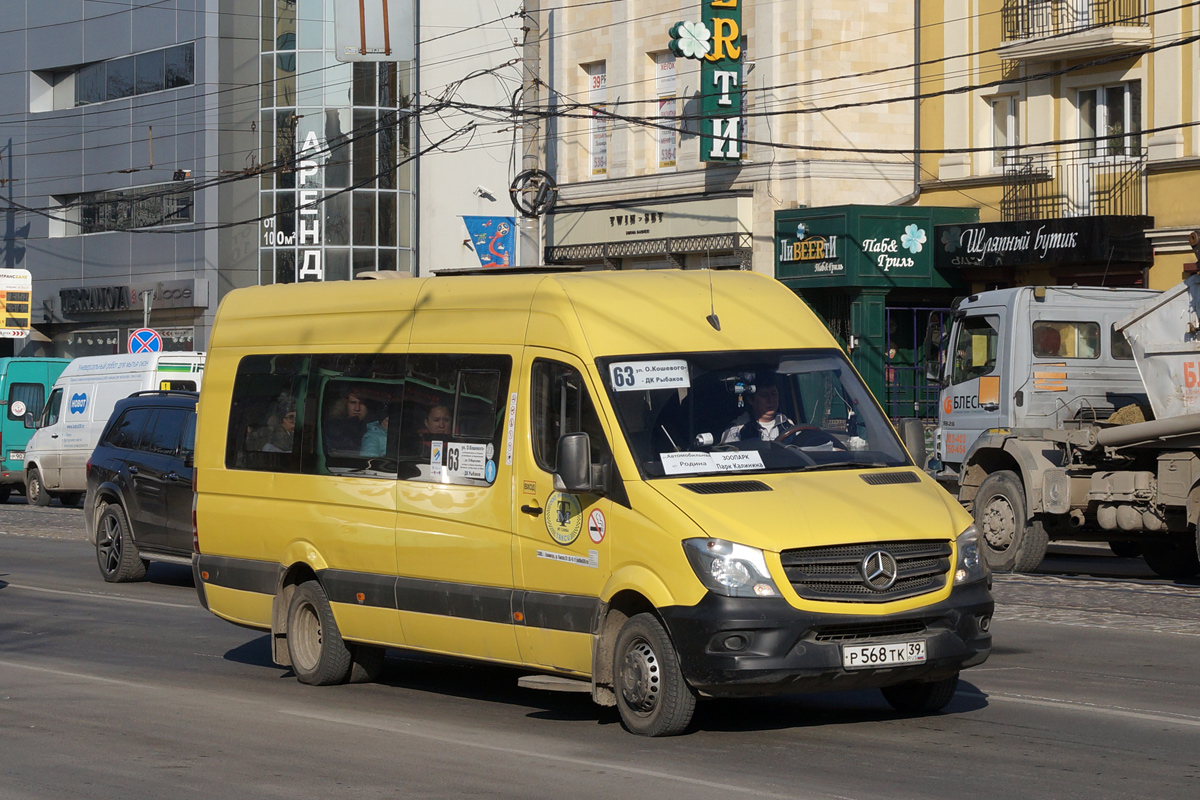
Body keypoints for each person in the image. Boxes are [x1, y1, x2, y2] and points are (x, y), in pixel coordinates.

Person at [720, 377, 795, 443]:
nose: (770, 400)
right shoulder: (737, 429)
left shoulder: (788, 424)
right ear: (751, 400)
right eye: (764, 395)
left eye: (773, 394)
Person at [324, 387, 369, 454]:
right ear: (345, 404)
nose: (357, 408)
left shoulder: (380, 426)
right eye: (353, 403)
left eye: (362, 403)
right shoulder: (333, 429)